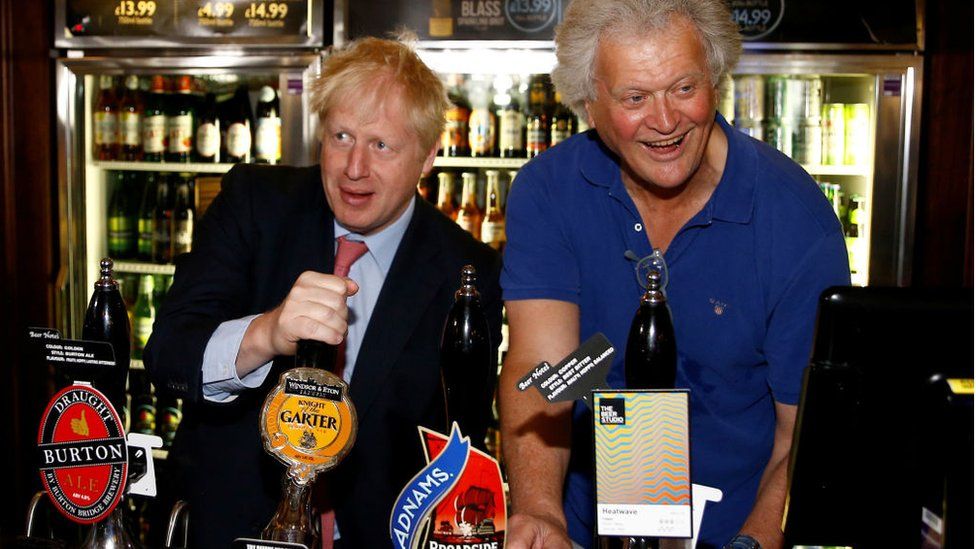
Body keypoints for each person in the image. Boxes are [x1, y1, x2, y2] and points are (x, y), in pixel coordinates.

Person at [498, 1, 850, 548]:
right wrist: (541, 512)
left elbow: (801, 435)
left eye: (684, 88)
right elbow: (547, 369)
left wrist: (753, 541)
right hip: (586, 533)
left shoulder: (794, 219)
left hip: (731, 532)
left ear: (716, 79)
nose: (665, 122)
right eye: (635, 98)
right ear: (590, 104)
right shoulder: (550, 191)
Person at [144, 36, 502, 548]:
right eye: (341, 136)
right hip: (226, 529)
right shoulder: (254, 203)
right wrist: (265, 334)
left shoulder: (468, 270)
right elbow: (168, 357)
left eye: (382, 145)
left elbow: (461, 443)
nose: (354, 168)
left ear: (427, 156)